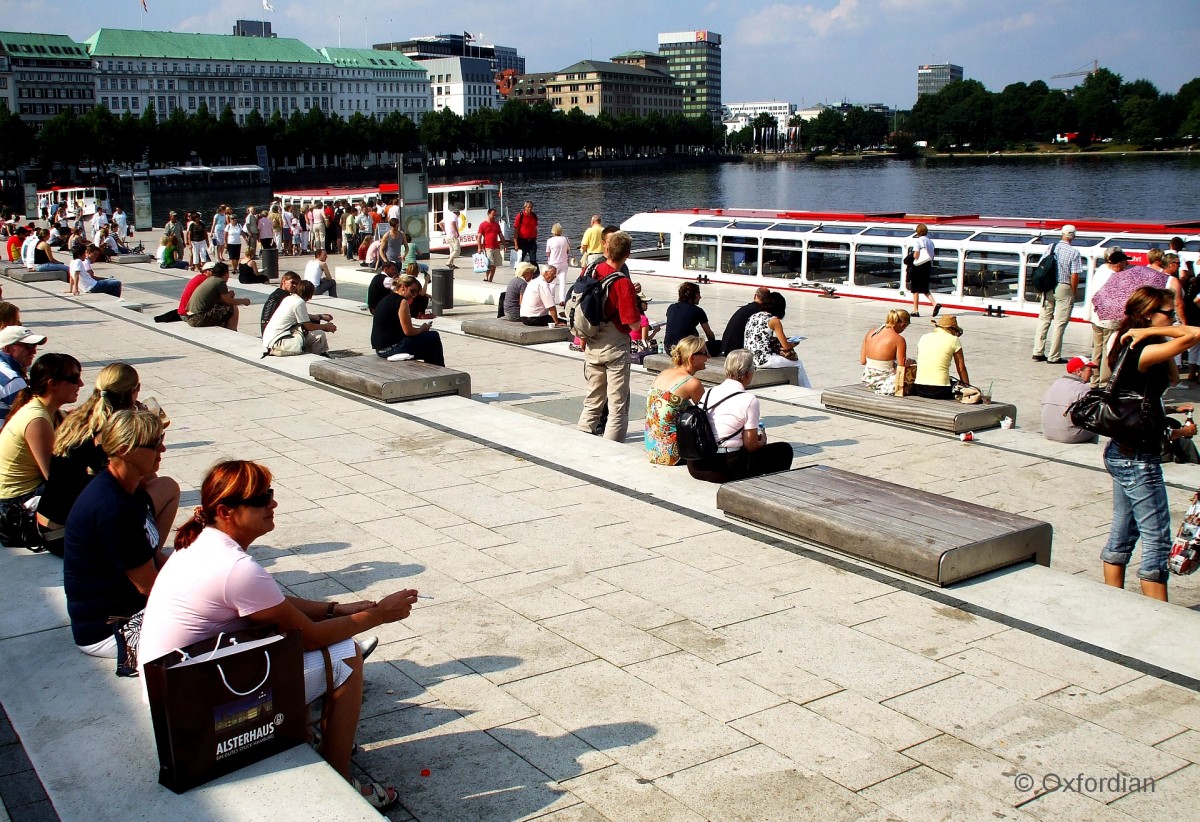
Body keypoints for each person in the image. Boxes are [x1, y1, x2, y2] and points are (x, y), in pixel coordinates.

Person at [137, 460, 415, 809]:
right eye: (262, 498)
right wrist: (377, 615)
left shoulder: (201, 543)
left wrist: (336, 609)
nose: (273, 504)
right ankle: (341, 782)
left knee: (292, 645)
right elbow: (311, 637)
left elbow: (274, 605)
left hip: (174, 690)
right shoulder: (235, 569)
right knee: (346, 653)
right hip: (191, 709)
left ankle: (301, 735)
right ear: (226, 511)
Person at [1101, 286, 1200, 602]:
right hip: (1138, 458)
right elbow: (1195, 333)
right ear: (1147, 315)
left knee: (1123, 534)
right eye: (1168, 313)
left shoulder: (1136, 342)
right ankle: (1157, 616)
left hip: (1123, 449)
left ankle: (1111, 601)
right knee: (1157, 542)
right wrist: (1159, 331)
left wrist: (1157, 334)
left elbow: (1172, 379)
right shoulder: (1139, 348)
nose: (1173, 318)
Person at [39, 364, 179, 558]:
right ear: (133, 392)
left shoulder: (77, 417)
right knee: (167, 487)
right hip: (76, 538)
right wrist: (146, 430)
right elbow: (144, 477)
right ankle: (148, 555)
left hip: (47, 530)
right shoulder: (119, 430)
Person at [63, 410, 170, 657]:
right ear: (124, 450)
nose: (162, 449)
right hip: (109, 629)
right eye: (155, 444)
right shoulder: (112, 507)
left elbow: (150, 555)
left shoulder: (130, 490)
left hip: (127, 609)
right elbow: (148, 585)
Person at [0, 353, 80, 549]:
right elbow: (54, 478)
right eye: (74, 378)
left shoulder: (47, 411)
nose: (81, 384)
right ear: (52, 384)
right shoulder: (37, 419)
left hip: (20, 497)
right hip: (13, 508)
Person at [685, 349, 794, 483]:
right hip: (724, 469)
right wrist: (762, 441)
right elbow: (750, 446)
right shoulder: (749, 400)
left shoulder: (709, 392)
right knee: (784, 450)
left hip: (697, 466)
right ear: (748, 374)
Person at [577, 231, 640, 442]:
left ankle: (581, 440)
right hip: (614, 347)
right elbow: (633, 322)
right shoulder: (622, 282)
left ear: (606, 249)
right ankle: (612, 450)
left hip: (592, 342)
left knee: (593, 400)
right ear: (627, 255)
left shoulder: (592, 270)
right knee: (617, 405)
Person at [645, 336, 707, 465]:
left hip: (653, 449)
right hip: (672, 455)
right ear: (692, 358)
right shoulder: (692, 383)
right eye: (705, 353)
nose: (709, 357)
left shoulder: (664, 373)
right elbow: (708, 412)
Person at [1032, 225, 1083, 364]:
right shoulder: (1074, 252)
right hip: (1063, 287)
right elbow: (1074, 276)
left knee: (1044, 319)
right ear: (1073, 236)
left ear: (1062, 234)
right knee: (1059, 323)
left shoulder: (1050, 247)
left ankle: (1038, 351)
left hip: (1048, 287)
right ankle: (1054, 356)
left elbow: (1041, 265)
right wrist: (1073, 293)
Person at [370, 274, 445, 365]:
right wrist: (422, 329)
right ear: (403, 287)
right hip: (392, 348)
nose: (413, 296)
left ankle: (434, 370)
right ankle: (438, 371)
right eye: (412, 291)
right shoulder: (402, 302)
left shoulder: (386, 299)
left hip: (381, 350)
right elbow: (408, 331)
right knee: (433, 336)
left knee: (429, 345)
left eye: (415, 293)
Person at [743, 291, 811, 386]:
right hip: (763, 361)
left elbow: (760, 337)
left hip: (751, 359)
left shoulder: (753, 316)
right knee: (798, 364)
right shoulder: (774, 321)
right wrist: (795, 343)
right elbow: (786, 346)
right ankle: (807, 389)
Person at [1085, 248, 1128, 386]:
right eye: (1125, 262)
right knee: (1108, 350)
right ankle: (1104, 382)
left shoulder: (1101, 269)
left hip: (1096, 317)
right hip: (1110, 320)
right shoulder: (1117, 277)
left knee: (1096, 350)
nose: (1127, 264)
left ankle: (1094, 380)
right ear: (1119, 263)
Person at [262, 280, 336, 357]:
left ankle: (320, 354)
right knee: (319, 335)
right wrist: (326, 327)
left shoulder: (289, 298)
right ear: (310, 294)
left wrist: (320, 316)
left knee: (307, 333)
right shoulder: (299, 302)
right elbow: (309, 326)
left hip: (270, 341)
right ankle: (316, 357)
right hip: (278, 344)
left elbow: (301, 315)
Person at [1041, 357, 1099, 444]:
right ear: (1079, 371)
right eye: (1090, 370)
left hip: (1047, 432)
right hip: (1069, 436)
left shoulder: (1056, 383)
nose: (1092, 373)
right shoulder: (1084, 389)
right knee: (1096, 426)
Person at [912, 315, 970, 399]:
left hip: (919, 388)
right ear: (951, 329)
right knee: (955, 386)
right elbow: (961, 368)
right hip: (939, 390)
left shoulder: (924, 337)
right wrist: (968, 388)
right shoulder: (953, 340)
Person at [860, 309, 912, 395]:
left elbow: (863, 361)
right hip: (885, 380)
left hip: (868, 379)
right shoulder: (899, 340)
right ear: (902, 325)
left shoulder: (871, 333)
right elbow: (901, 368)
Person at [185, 262, 251, 330]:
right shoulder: (220, 282)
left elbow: (218, 300)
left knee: (221, 309)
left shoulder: (211, 279)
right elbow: (229, 302)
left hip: (190, 316)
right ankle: (232, 331)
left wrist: (227, 295)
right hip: (197, 318)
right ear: (226, 274)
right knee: (233, 309)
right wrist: (244, 301)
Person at [0, 326, 45, 423]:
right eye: (28, 346)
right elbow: (34, 416)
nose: (34, 351)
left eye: (34, 346)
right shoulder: (11, 380)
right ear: (7, 348)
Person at [664, 282, 720, 356]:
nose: (700, 297)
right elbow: (709, 333)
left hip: (669, 348)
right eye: (699, 294)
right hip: (685, 349)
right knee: (719, 344)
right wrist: (712, 343)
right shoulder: (698, 311)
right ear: (695, 295)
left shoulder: (672, 307)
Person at [720, 287, 770, 354]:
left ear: (755, 296)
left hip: (726, 345)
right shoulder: (760, 312)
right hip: (736, 349)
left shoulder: (746, 309)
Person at [908, 223, 941, 317]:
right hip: (928, 266)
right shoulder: (931, 242)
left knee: (915, 289)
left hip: (918, 265)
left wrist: (912, 257)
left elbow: (916, 255)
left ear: (917, 232)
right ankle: (934, 304)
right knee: (924, 288)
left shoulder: (918, 241)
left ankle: (915, 310)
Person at [545, 223, 571, 305]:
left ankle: (552, 300)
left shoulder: (550, 240)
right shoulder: (566, 239)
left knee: (552, 283)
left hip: (553, 264)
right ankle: (562, 299)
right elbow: (567, 251)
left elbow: (548, 253)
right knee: (562, 282)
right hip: (563, 263)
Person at [477, 208, 505, 282]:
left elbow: (500, 235)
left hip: (496, 246)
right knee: (490, 264)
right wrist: (479, 248)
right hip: (487, 247)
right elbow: (479, 236)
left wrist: (504, 244)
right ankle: (487, 277)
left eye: (495, 215)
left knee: (495, 265)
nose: (494, 217)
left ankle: (490, 279)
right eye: (493, 215)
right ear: (488, 214)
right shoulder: (483, 225)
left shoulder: (496, 224)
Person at [513, 201, 539, 265]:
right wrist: (516, 244)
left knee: (533, 260)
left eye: (531, 207)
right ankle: (518, 274)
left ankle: (533, 274)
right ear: (525, 207)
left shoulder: (534, 215)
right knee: (520, 259)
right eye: (528, 207)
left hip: (532, 241)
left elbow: (535, 228)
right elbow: (516, 230)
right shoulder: (520, 216)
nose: (530, 209)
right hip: (522, 241)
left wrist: (535, 238)